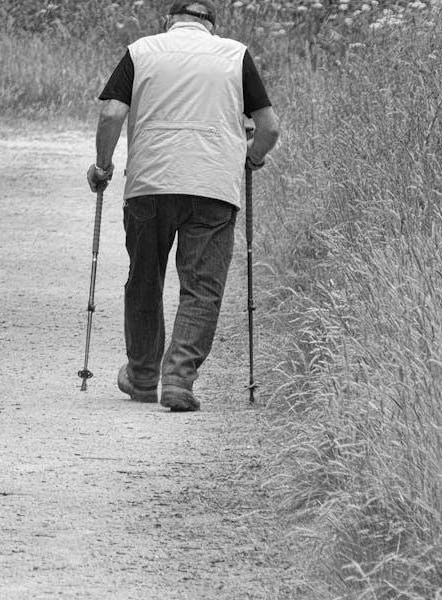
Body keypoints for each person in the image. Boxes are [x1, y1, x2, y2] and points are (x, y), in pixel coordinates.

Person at [87, 0, 280, 412]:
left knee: (144, 278)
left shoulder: (141, 50)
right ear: (211, 26)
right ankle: (177, 380)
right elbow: (269, 127)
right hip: (213, 185)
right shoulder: (235, 54)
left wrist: (103, 166)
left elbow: (111, 113)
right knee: (202, 288)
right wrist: (252, 157)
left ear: (168, 22)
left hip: (149, 184)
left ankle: (141, 376)